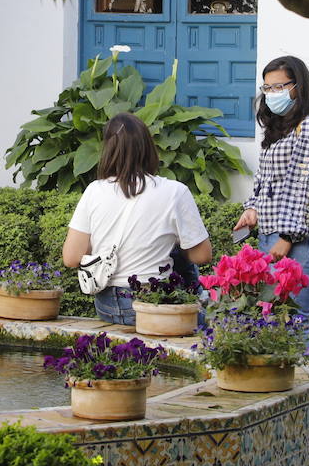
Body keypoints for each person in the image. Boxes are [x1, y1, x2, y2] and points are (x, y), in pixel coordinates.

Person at [62, 113, 213, 325]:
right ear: (148, 147)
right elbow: (202, 256)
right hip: (154, 304)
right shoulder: (175, 192)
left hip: (107, 305)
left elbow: (71, 258)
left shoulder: (94, 191)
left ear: (108, 150)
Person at [232, 56, 309, 317]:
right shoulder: (280, 129)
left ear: (298, 86)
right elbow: (265, 179)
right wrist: (253, 209)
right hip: (274, 236)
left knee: (292, 323)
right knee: (276, 325)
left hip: (300, 240)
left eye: (279, 87)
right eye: (267, 88)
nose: (272, 94)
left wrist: (288, 237)